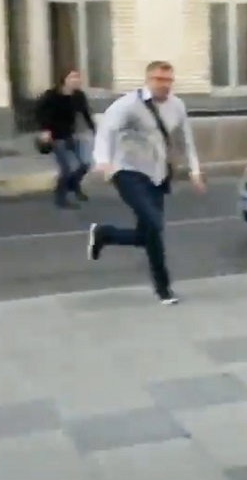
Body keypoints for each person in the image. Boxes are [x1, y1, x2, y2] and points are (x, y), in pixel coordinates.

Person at [88, 61, 205, 304]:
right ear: (148, 80)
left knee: (149, 233)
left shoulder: (177, 105)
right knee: (154, 222)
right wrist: (103, 160)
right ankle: (164, 288)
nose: (164, 85)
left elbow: (186, 139)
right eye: (159, 79)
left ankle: (105, 234)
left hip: (157, 173)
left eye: (168, 80)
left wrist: (195, 171)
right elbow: (106, 130)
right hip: (127, 170)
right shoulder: (129, 105)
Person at [37, 69, 96, 209]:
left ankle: (74, 186)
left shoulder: (78, 95)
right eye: (73, 77)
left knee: (84, 164)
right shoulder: (52, 95)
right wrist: (45, 131)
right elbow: (41, 113)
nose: (76, 80)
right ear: (64, 80)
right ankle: (60, 197)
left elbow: (85, 113)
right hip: (56, 136)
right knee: (66, 168)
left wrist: (94, 129)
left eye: (78, 77)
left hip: (71, 134)